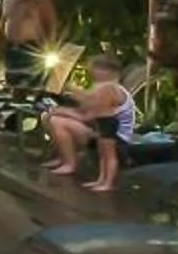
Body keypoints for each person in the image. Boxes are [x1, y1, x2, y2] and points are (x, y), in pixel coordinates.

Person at [43, 64, 137, 194]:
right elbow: (87, 107)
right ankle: (100, 180)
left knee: (108, 156)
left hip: (113, 131)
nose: (93, 72)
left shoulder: (110, 89)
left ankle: (107, 183)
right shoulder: (101, 88)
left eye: (98, 69)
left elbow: (90, 115)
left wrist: (66, 110)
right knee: (103, 155)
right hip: (102, 126)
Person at [0, 0, 57, 95]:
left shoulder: (41, 1)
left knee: (28, 85)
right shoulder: (9, 1)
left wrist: (48, 47)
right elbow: (2, 23)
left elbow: (49, 25)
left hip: (30, 47)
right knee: (12, 81)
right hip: (12, 47)